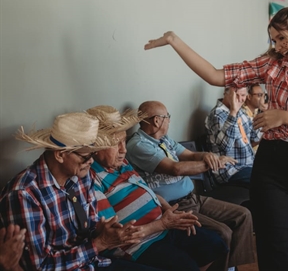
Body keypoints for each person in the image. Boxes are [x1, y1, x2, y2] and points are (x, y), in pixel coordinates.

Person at [144, 6, 288, 271]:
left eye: (281, 38)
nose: (277, 46)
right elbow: (214, 75)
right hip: (271, 164)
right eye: (273, 40)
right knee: (274, 249)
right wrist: (175, 41)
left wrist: (284, 117)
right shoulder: (271, 65)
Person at [0, 112, 159, 271]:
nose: (91, 161)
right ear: (60, 155)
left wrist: (101, 229)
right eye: (86, 155)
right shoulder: (24, 194)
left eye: (93, 153)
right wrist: (101, 243)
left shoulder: (81, 175)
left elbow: (88, 224)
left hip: (94, 262)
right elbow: (40, 266)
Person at [87, 105, 228, 271]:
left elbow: (148, 192)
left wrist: (170, 212)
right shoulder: (91, 179)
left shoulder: (121, 163)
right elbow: (116, 236)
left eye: (124, 141)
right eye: (116, 144)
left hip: (161, 226)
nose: (123, 150)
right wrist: (163, 224)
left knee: (214, 244)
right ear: (96, 147)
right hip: (139, 244)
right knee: (186, 266)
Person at [126, 100, 254, 271]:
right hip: (173, 205)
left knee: (243, 215)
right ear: (157, 121)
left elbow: (191, 155)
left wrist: (208, 156)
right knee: (223, 232)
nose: (169, 120)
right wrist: (215, 164)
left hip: (193, 198)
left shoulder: (164, 139)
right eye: (167, 117)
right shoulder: (138, 145)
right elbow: (175, 169)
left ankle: (231, 267)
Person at [205, 87, 260, 188]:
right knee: (265, 181)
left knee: (276, 174)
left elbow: (255, 137)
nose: (239, 99)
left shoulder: (241, 112)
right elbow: (225, 146)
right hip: (230, 170)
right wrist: (233, 112)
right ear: (226, 93)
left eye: (243, 95)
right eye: (236, 95)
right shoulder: (217, 114)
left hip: (248, 166)